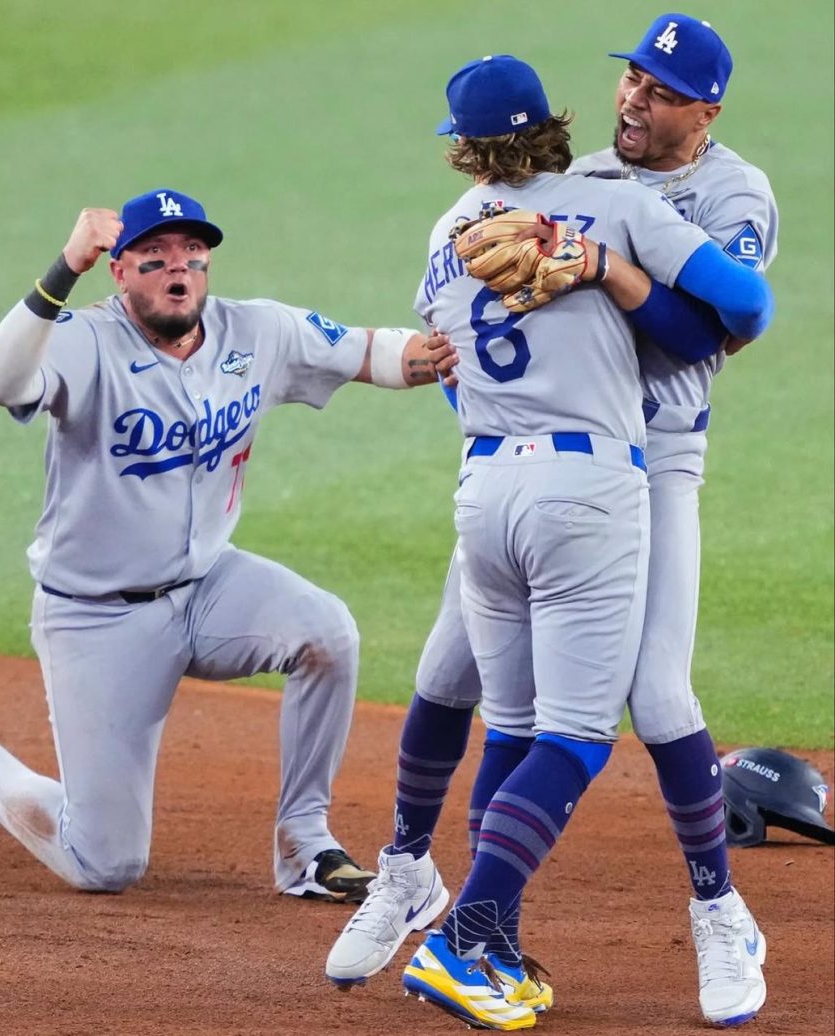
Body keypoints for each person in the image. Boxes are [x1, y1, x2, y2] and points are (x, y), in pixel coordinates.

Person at [327, 38, 774, 1031]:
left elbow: (732, 321)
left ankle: (712, 910)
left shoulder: (458, 231)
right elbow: (717, 316)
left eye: (660, 90)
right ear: (557, 126)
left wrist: (601, 272)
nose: (635, 97)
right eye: (631, 78)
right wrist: (597, 270)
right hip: (581, 477)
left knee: (614, 701)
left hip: (561, 470)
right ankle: (450, 912)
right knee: (515, 705)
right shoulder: (598, 191)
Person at [0, 188, 457, 903]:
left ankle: (306, 845)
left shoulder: (253, 331)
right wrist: (65, 266)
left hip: (207, 587)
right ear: (119, 272)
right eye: (155, 255)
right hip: (97, 617)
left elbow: (372, 351)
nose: (179, 267)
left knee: (327, 633)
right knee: (103, 864)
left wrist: (447, 351)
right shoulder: (82, 339)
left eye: (193, 253)